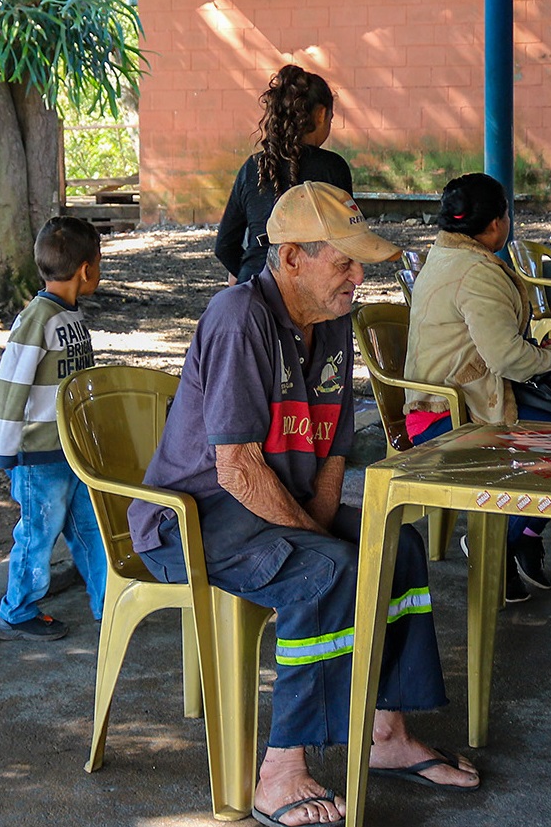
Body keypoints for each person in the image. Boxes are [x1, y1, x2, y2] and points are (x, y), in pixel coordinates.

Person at [131, 181, 477, 827]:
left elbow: (334, 449)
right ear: (291, 258)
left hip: (272, 502)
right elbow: (236, 468)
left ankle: (385, 730)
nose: (358, 276)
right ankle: (279, 770)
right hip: (195, 516)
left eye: (360, 263)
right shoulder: (240, 317)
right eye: (344, 262)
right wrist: (318, 541)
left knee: (395, 545)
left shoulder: (333, 319)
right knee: (328, 570)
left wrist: (319, 526)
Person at [403, 172, 551, 602]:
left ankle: (521, 538)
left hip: (444, 403)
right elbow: (506, 359)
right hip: (452, 417)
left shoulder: (444, 256)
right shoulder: (477, 272)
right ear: (498, 222)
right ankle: (498, 537)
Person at [0, 216, 108, 641]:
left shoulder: (69, 316)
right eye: (99, 262)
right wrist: (4, 448)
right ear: (85, 270)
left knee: (91, 529)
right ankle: (17, 611)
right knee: (38, 533)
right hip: (40, 457)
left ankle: (109, 601)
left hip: (73, 452)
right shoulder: (37, 320)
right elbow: (9, 388)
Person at [215, 65, 353, 285]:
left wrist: (246, 275)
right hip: (309, 289)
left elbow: (224, 246)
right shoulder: (333, 168)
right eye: (331, 118)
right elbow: (349, 239)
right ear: (321, 115)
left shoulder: (252, 167)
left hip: (253, 284)